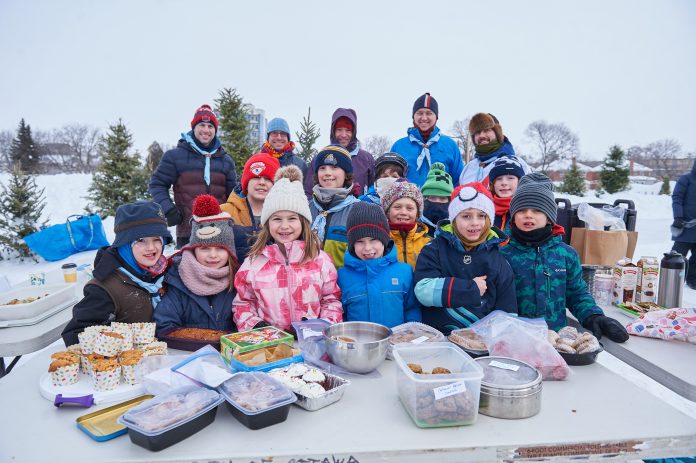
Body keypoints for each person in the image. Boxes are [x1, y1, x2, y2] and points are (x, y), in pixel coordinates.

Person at [499, 174, 629, 341]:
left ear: (549, 218)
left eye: (538, 210)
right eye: (522, 210)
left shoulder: (566, 255)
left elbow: (576, 294)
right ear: (513, 216)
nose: (528, 215)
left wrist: (594, 316)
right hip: (513, 339)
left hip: (555, 340)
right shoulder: (502, 253)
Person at [233, 165, 343, 331]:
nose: (285, 226)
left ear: (303, 222)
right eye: (277, 219)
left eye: (292, 218)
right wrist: (256, 327)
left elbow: (330, 300)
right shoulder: (253, 264)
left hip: (312, 344)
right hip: (270, 347)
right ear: (267, 223)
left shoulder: (320, 260)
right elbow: (243, 303)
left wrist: (322, 328)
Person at [62, 201, 172, 346]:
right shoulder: (105, 289)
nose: (151, 247)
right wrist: (122, 345)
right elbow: (76, 335)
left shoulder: (168, 273)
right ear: (125, 243)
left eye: (157, 239)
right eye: (141, 240)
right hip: (131, 365)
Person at [414, 182, 517, 335]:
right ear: (454, 219)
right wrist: (470, 289)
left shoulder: (498, 260)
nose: (474, 222)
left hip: (480, 345)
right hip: (436, 340)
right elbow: (423, 290)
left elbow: (508, 313)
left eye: (481, 216)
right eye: (466, 216)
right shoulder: (434, 249)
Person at [149, 104, 237, 248]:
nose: (206, 130)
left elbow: (233, 195)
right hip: (188, 230)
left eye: (210, 126)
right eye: (202, 125)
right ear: (193, 127)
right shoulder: (175, 156)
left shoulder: (226, 161)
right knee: (188, 269)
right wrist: (169, 209)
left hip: (220, 228)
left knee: (220, 269)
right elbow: (157, 184)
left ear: (215, 130)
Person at [154, 195, 239, 337]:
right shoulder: (178, 280)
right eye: (204, 248)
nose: (213, 255)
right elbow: (164, 325)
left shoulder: (239, 281)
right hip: (189, 354)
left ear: (230, 251)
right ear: (193, 249)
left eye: (220, 248)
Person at [338, 202, 421, 327]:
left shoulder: (404, 272)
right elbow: (340, 315)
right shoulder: (342, 276)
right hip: (358, 343)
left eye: (374, 240)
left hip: (397, 343)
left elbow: (412, 309)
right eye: (360, 242)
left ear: (384, 240)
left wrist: (411, 334)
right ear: (352, 245)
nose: (367, 248)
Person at [391, 92, 463, 187]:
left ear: (436, 117)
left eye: (429, 113)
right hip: (407, 201)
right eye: (419, 113)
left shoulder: (450, 145)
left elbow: (459, 182)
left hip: (440, 201)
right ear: (413, 116)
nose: (424, 118)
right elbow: (388, 179)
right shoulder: (399, 146)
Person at [309, 145, 361, 269]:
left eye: (334, 167)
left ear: (346, 174)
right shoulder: (305, 208)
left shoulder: (358, 210)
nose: (327, 173)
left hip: (343, 284)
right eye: (322, 168)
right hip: (308, 283)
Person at [304, 108, 375, 197]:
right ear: (333, 131)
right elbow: (309, 192)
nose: (344, 135)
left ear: (354, 132)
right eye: (339, 130)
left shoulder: (366, 159)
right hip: (325, 210)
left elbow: (374, 189)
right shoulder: (320, 159)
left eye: (348, 130)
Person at [458, 113, 530, 186]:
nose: (481, 135)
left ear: (497, 134)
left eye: (486, 130)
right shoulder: (468, 168)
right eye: (477, 132)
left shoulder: (517, 163)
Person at [380, 178, 431, 269]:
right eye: (397, 207)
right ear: (387, 211)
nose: (403, 212)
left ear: (417, 213)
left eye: (409, 208)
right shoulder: (380, 241)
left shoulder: (429, 243)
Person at [221, 153, 279, 227]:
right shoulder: (223, 212)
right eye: (256, 178)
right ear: (246, 183)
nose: (262, 182)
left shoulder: (283, 214)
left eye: (267, 179)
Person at [671, 160, 696, 289]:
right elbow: (677, 198)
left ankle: (692, 280)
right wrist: (678, 217)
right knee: (676, 256)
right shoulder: (686, 179)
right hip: (685, 226)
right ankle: (671, 278)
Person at [487, 156, 525, 233]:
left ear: (520, 181)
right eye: (499, 179)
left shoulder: (528, 209)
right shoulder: (484, 209)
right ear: (492, 184)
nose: (504, 183)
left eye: (510, 178)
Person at [420, 162, 454, 234]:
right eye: (432, 197)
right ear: (424, 199)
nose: (437, 202)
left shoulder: (457, 230)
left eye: (442, 198)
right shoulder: (415, 229)